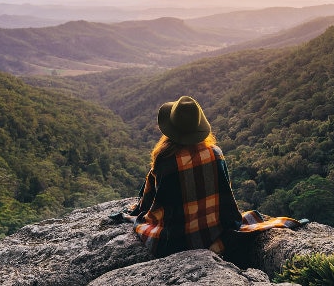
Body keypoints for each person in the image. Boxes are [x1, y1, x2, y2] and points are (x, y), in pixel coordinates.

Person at [116, 95, 307, 258]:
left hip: (174, 240)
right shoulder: (216, 153)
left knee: (141, 222)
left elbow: (149, 205)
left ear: (170, 131)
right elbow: (226, 202)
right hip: (213, 232)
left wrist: (135, 215)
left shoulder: (165, 162)